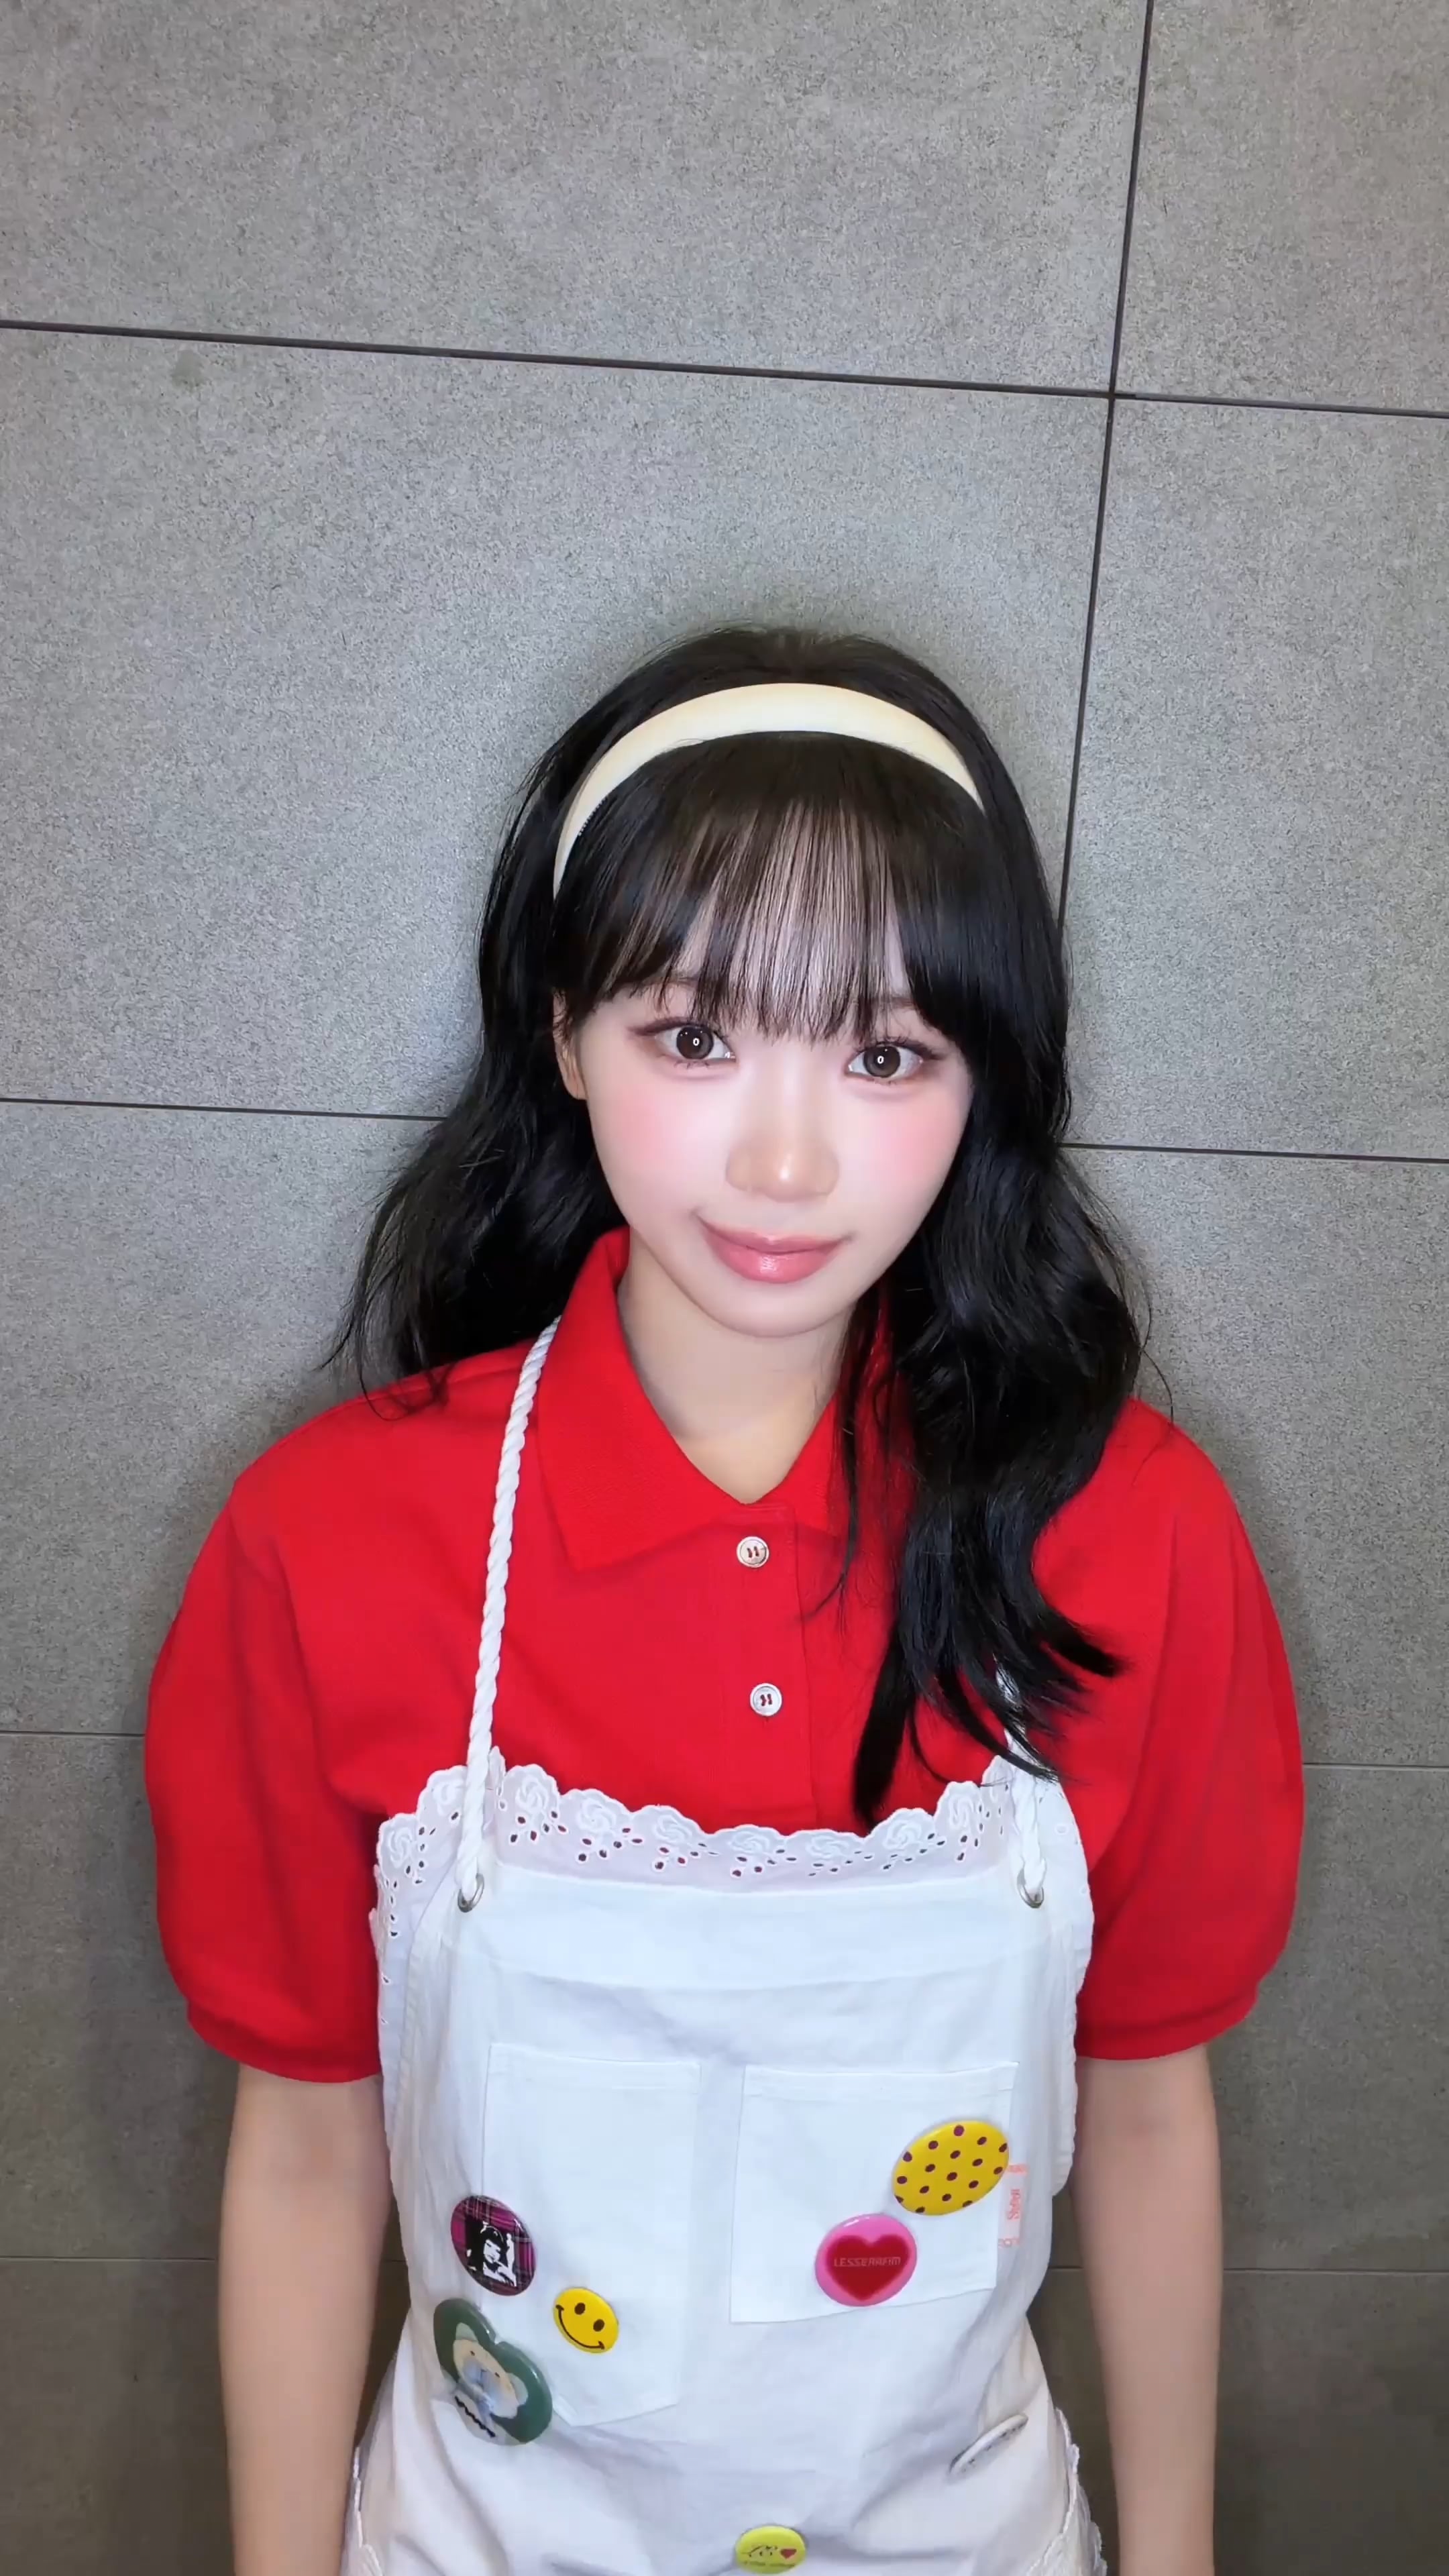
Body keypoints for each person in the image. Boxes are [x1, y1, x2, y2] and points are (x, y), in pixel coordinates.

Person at [146, 622, 1303, 2576]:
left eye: (884, 1053)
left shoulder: (1135, 1531)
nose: (784, 1158)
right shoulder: (330, 1536)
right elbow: (310, 2147)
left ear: (986, 1079)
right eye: (694, 1037)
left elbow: (1150, 2106)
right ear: (562, 1033)